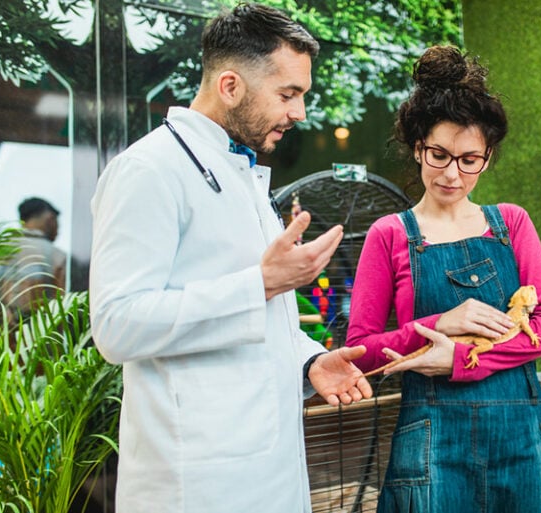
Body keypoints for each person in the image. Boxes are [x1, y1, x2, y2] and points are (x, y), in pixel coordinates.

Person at [88, 4, 372, 513]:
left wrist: (309, 361)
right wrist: (261, 283)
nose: (300, 113)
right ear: (230, 86)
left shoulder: (242, 174)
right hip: (195, 485)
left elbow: (259, 322)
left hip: (271, 470)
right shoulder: (147, 171)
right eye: (288, 94)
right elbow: (116, 325)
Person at [345, 45, 541, 512]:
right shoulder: (390, 235)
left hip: (520, 448)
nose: (453, 174)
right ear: (417, 146)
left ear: (487, 157)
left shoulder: (511, 224)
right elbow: (360, 354)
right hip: (432, 449)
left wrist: (463, 358)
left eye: (470, 160)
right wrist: (437, 328)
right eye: (439, 155)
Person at [0, 197, 66, 317]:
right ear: (50, 219)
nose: (58, 231)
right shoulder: (56, 256)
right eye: (58, 224)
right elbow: (60, 309)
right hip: (36, 334)